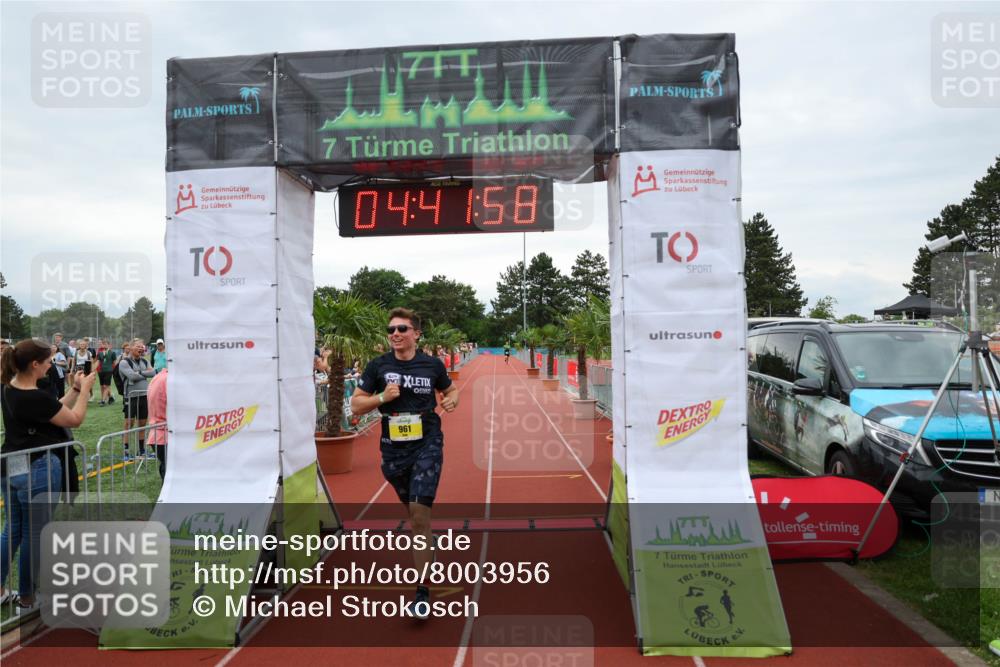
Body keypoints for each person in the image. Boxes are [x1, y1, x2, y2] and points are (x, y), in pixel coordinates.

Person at [350, 308, 459, 620]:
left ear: (416, 333)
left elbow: (450, 390)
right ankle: (425, 538)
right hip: (393, 448)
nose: (395, 334)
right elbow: (356, 403)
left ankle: (422, 593)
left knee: (419, 515)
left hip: (428, 440)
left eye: (402, 328)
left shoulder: (432, 364)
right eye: (391, 330)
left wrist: (453, 399)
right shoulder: (378, 366)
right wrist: (382, 397)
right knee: (415, 517)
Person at [0, 339, 96, 611]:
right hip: (39, 468)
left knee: (12, 530)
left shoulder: (9, 389)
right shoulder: (35, 397)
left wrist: (75, 388)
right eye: (48, 362)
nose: (50, 366)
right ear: (35, 364)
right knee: (35, 534)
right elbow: (73, 419)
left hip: (11, 466)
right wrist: (87, 391)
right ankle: (28, 598)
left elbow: (53, 409)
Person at [118, 339, 155, 460]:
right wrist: (144, 373)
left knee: (142, 424)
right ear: (131, 347)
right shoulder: (124, 362)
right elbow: (131, 376)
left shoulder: (145, 360)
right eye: (138, 346)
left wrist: (139, 372)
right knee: (129, 424)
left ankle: (142, 451)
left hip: (144, 395)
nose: (141, 349)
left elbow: (153, 372)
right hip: (131, 396)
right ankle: (126, 451)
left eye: (142, 347)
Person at [146, 368, 168, 479]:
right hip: (165, 434)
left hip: (157, 433)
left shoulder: (158, 377)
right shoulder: (169, 380)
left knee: (165, 467)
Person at [96, 339, 117, 406]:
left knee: (106, 386)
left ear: (109, 345)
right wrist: (93, 370)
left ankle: (103, 401)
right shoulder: (100, 353)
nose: (104, 345)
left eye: (106, 344)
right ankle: (110, 397)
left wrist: (114, 370)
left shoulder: (112, 353)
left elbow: (114, 363)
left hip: (109, 371)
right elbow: (98, 362)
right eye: (103, 344)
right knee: (102, 386)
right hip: (101, 371)